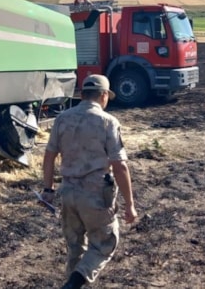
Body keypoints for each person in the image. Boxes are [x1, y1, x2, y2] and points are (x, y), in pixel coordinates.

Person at [41, 74, 138, 289]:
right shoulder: (107, 122)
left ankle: (72, 283)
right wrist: (130, 204)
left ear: (83, 94)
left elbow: (49, 157)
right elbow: (120, 165)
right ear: (103, 95)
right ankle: (74, 284)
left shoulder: (62, 118)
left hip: (68, 192)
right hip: (95, 195)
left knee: (75, 248)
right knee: (104, 244)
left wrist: (48, 188)